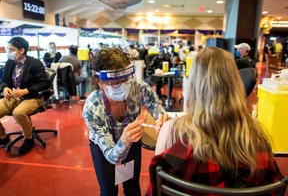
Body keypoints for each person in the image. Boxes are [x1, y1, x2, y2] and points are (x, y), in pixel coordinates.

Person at [148, 47, 282, 195]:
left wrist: (164, 136)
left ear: (193, 87)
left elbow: (155, 189)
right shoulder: (258, 136)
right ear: (236, 85)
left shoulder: (170, 131)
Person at [82, 47, 168, 196]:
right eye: (115, 83)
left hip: (131, 141)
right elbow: (111, 156)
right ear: (99, 81)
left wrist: (161, 117)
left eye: (125, 79)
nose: (123, 86)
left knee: (131, 186)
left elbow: (154, 104)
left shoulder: (138, 88)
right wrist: (124, 141)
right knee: (109, 190)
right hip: (105, 148)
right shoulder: (92, 108)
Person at [0, 37, 50, 155]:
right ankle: (3, 137)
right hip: (13, 97)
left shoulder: (35, 63)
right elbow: (3, 80)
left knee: (18, 113)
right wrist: (5, 87)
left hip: (32, 97)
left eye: (11, 49)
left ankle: (29, 139)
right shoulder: (10, 62)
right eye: (7, 49)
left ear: (21, 50)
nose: (8, 52)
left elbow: (45, 83)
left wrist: (26, 91)